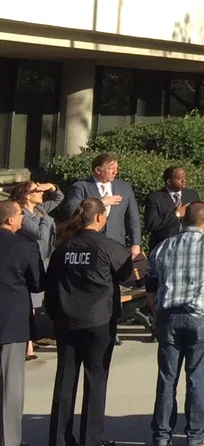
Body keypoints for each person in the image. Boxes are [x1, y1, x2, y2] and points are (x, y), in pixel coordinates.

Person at [45, 197, 133, 446]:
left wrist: (54, 314)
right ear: (99, 217)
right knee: (96, 380)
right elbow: (126, 276)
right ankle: (90, 439)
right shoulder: (108, 246)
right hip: (99, 321)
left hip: (66, 320)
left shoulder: (63, 248)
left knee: (65, 379)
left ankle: (60, 438)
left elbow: (51, 285)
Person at [145, 202, 204, 446]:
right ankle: (197, 435)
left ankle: (162, 435)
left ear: (181, 221)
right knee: (197, 378)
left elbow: (151, 283)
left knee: (167, 378)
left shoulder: (163, 247)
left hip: (169, 315)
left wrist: (155, 312)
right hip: (199, 317)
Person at [0, 199, 42, 446]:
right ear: (9, 219)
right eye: (20, 214)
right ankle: (10, 440)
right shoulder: (25, 246)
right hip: (13, 322)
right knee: (11, 387)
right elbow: (38, 282)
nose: (23, 218)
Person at [12, 179, 61, 359]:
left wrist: (50, 186)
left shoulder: (39, 210)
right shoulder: (22, 214)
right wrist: (46, 219)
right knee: (30, 304)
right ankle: (28, 345)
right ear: (26, 195)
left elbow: (58, 198)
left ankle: (29, 344)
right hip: (30, 263)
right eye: (36, 191)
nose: (41, 193)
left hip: (44, 260)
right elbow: (39, 234)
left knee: (35, 303)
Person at [61, 152, 141, 258]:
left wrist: (136, 243)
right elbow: (72, 210)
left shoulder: (124, 188)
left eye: (116, 168)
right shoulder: (81, 187)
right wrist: (101, 203)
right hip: (88, 245)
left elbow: (133, 217)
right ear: (98, 170)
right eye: (111, 169)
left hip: (116, 244)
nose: (115, 172)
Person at [144, 166, 200, 254]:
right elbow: (151, 224)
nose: (184, 181)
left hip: (188, 247)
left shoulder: (192, 195)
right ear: (169, 181)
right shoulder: (155, 198)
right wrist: (176, 214)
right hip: (164, 249)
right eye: (180, 179)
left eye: (184, 178)